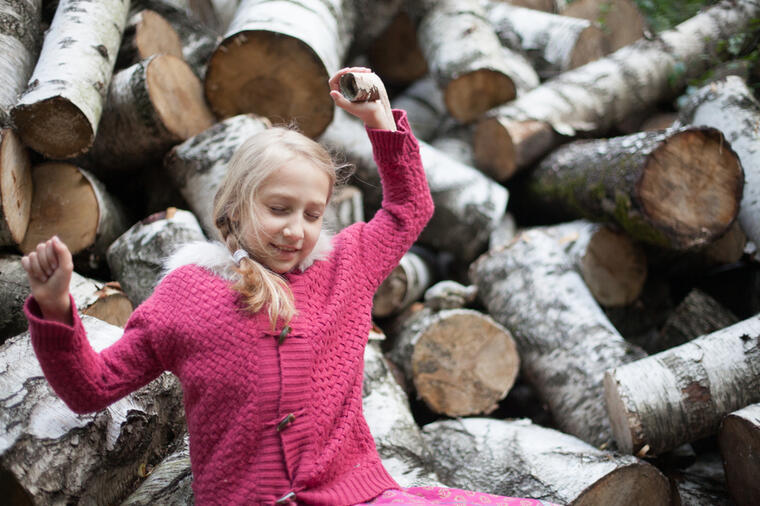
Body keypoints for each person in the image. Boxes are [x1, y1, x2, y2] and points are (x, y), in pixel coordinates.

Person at [21, 67, 554, 506]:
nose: (296, 228)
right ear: (233, 208)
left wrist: (379, 120)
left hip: (356, 498)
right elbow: (90, 387)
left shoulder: (346, 266)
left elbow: (410, 209)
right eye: (278, 209)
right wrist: (54, 309)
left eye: (312, 213)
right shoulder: (185, 295)